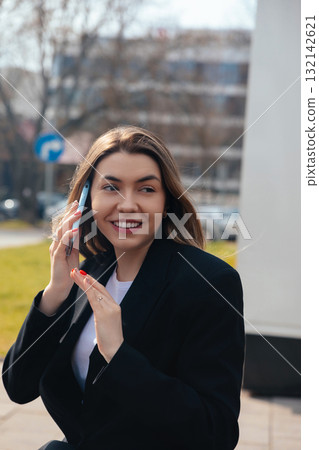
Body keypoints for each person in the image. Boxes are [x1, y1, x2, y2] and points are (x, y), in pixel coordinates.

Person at [2, 126, 245, 450]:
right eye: (111, 187)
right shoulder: (87, 273)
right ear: (87, 198)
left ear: (166, 201)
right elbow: (19, 387)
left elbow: (216, 433)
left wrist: (118, 354)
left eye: (146, 189)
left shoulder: (208, 282)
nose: (127, 204)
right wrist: (55, 292)